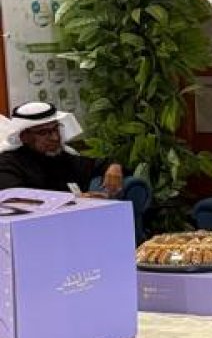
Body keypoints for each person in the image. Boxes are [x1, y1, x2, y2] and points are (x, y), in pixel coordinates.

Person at [0, 98, 152, 238]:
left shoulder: (62, 157)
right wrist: (76, 201)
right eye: (44, 132)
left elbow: (98, 164)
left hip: (77, 230)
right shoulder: (8, 163)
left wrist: (114, 166)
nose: (55, 137)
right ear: (24, 137)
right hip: (34, 235)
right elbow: (16, 202)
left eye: (56, 129)